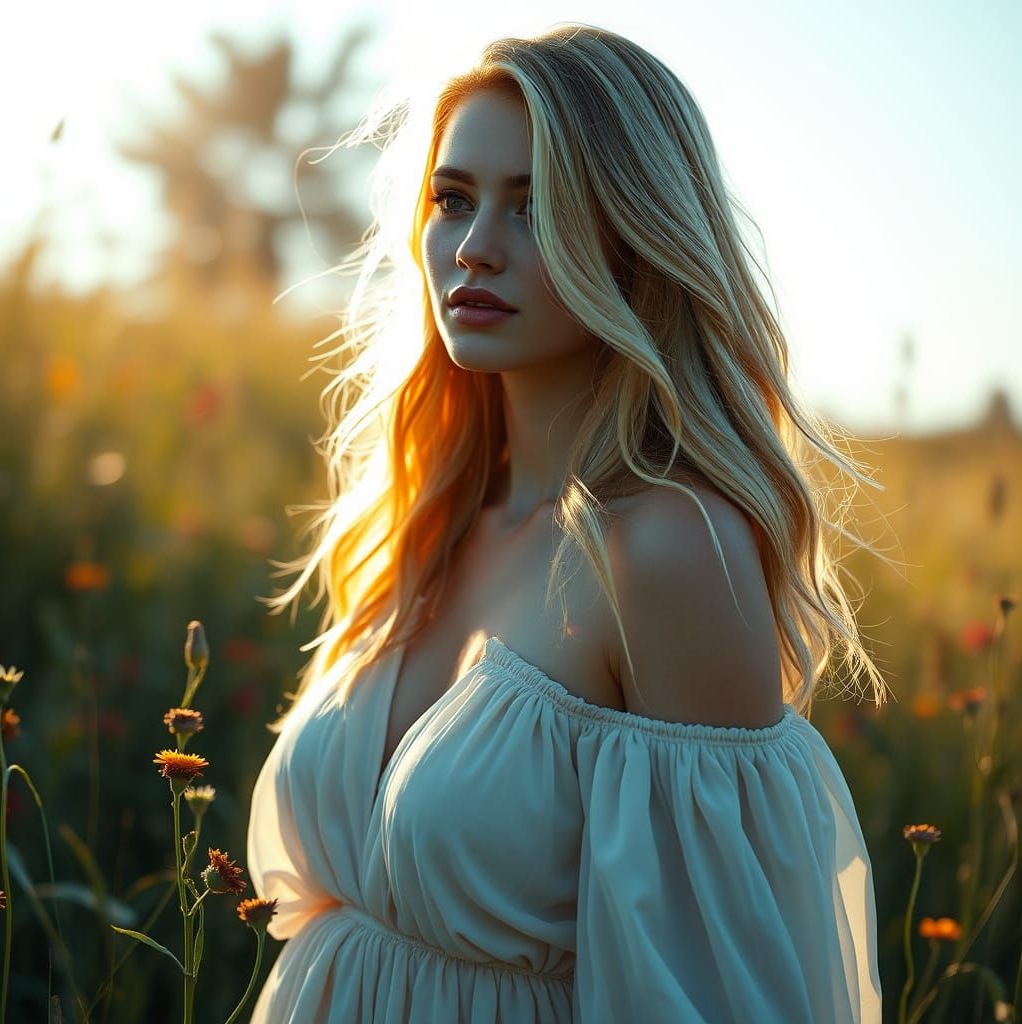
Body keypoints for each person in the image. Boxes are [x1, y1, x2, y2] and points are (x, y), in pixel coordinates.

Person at [246, 22, 889, 1023]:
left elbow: (720, 993)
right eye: (453, 199)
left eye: (538, 206)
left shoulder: (668, 549)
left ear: (636, 240)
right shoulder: (430, 515)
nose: (475, 248)